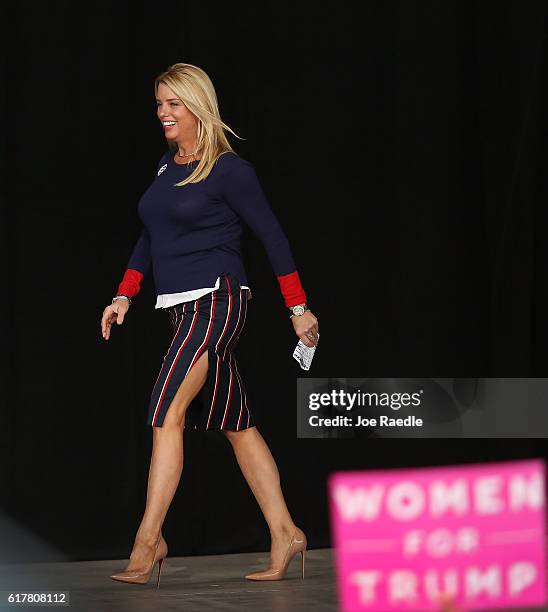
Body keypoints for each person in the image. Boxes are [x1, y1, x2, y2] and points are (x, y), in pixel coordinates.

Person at [100, 63, 319, 587]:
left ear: (199, 106)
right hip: (181, 308)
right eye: (158, 104)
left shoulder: (229, 170)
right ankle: (286, 530)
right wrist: (124, 294)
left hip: (218, 301)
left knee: (164, 411)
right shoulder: (164, 168)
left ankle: (149, 539)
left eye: (173, 104)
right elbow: (149, 239)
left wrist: (298, 307)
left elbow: (273, 238)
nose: (163, 114)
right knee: (238, 427)